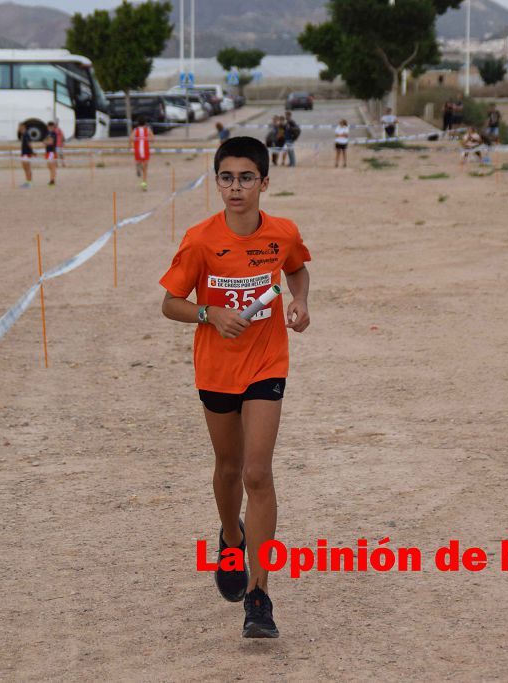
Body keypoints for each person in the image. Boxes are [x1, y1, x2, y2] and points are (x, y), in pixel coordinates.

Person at [159, 136, 311, 639]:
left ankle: (259, 594)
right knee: (227, 468)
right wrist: (210, 313)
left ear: (264, 182)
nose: (236, 187)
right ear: (216, 182)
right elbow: (170, 303)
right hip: (216, 370)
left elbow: (297, 270)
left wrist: (300, 303)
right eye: (227, 177)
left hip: (267, 363)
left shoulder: (282, 233)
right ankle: (230, 537)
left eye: (247, 177)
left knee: (257, 473)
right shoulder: (201, 240)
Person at [132, 115, 153, 191]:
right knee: (145, 167)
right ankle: (144, 183)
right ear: (145, 123)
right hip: (145, 149)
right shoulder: (148, 129)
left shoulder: (135, 130)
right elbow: (152, 139)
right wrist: (148, 140)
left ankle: (138, 167)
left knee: (139, 162)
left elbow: (131, 139)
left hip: (138, 149)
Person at [18, 122, 34, 188]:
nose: (18, 128)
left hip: (26, 153)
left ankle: (29, 183)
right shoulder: (23, 134)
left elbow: (29, 143)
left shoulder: (26, 134)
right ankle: (27, 181)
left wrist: (32, 152)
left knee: (27, 168)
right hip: (24, 153)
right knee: (25, 168)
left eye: (19, 126)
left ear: (23, 126)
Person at [43, 121, 57, 186]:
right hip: (48, 151)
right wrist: (46, 142)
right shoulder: (48, 133)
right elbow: (45, 141)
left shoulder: (53, 133)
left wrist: (46, 142)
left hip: (51, 151)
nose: (50, 128)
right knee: (49, 166)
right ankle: (52, 179)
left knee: (52, 167)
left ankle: (52, 180)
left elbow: (50, 142)